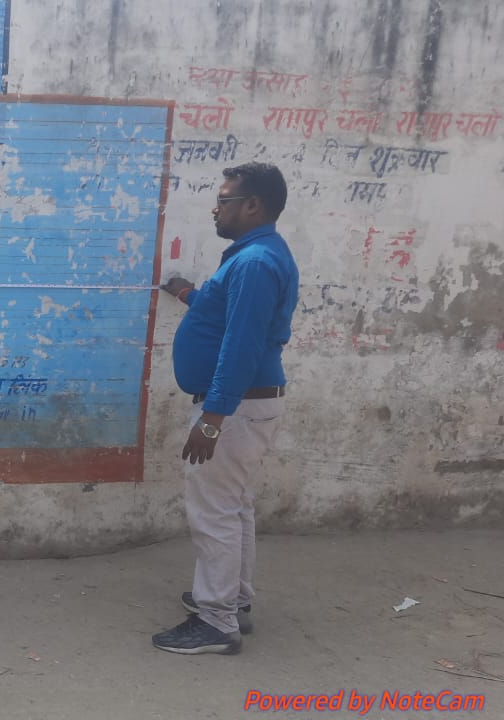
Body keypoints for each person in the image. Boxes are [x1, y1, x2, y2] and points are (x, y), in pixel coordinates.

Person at [152, 162, 299, 655]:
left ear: (252, 205)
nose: (216, 209)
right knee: (234, 507)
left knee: (214, 512)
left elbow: (241, 345)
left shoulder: (254, 263)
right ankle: (233, 601)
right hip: (247, 406)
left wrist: (212, 420)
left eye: (224, 199)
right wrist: (186, 293)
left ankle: (216, 623)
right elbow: (224, 316)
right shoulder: (255, 256)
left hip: (235, 410)